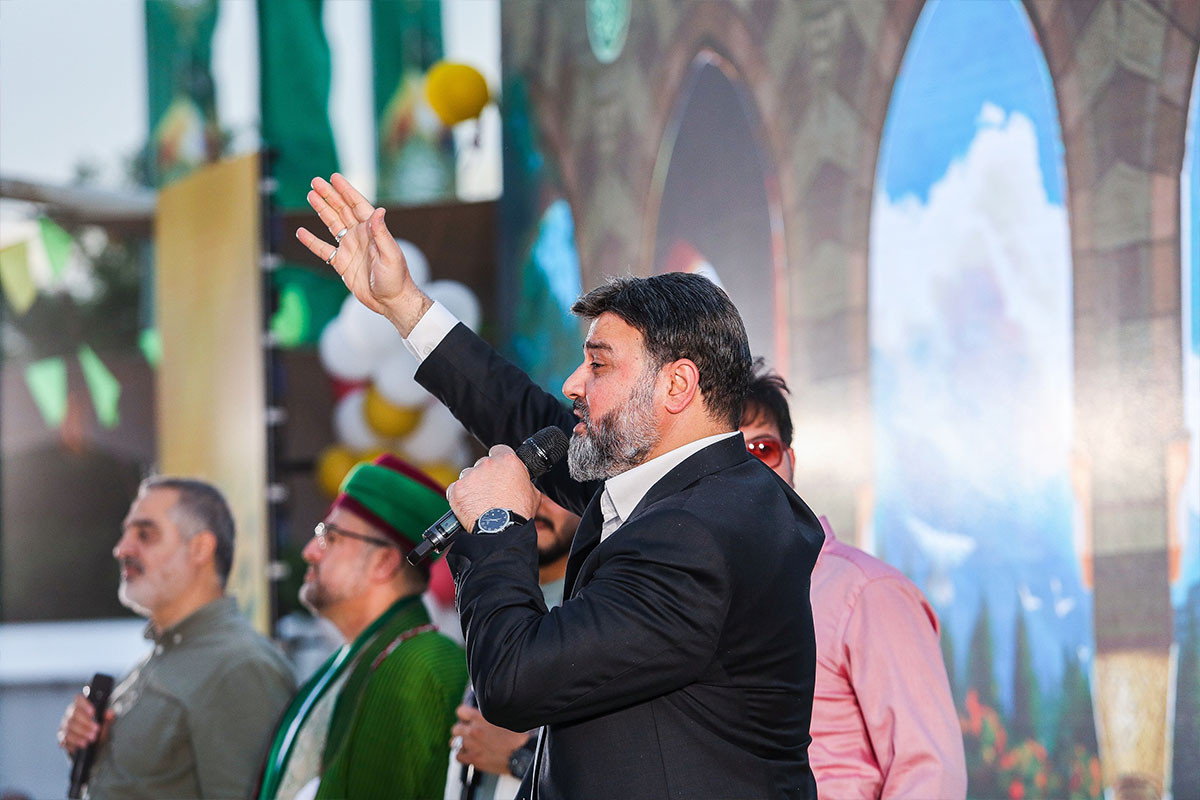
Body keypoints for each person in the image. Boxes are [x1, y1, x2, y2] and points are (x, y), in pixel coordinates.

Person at [297, 173, 826, 799]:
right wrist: (403, 304)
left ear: (677, 386)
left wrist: (497, 522)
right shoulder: (692, 493)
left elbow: (516, 680)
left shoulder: (699, 535)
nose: (574, 383)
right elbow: (522, 413)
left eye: (598, 364)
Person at [740, 362, 968, 799]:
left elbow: (930, 773)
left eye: (763, 448)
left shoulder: (866, 592)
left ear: (790, 460)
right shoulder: (704, 598)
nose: (750, 469)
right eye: (732, 454)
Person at [55, 477, 295, 800]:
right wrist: (93, 754)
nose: (122, 549)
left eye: (145, 534)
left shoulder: (240, 666)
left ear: (200, 549)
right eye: (126, 534)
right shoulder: (163, 655)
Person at [258, 454, 468, 800]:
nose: (310, 551)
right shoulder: (360, 655)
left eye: (330, 537)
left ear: (383, 562)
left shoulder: (418, 664)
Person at [446, 493, 581, 800]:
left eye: (554, 489)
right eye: (523, 485)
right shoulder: (484, 598)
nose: (536, 501)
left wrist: (520, 756)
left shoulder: (598, 607)